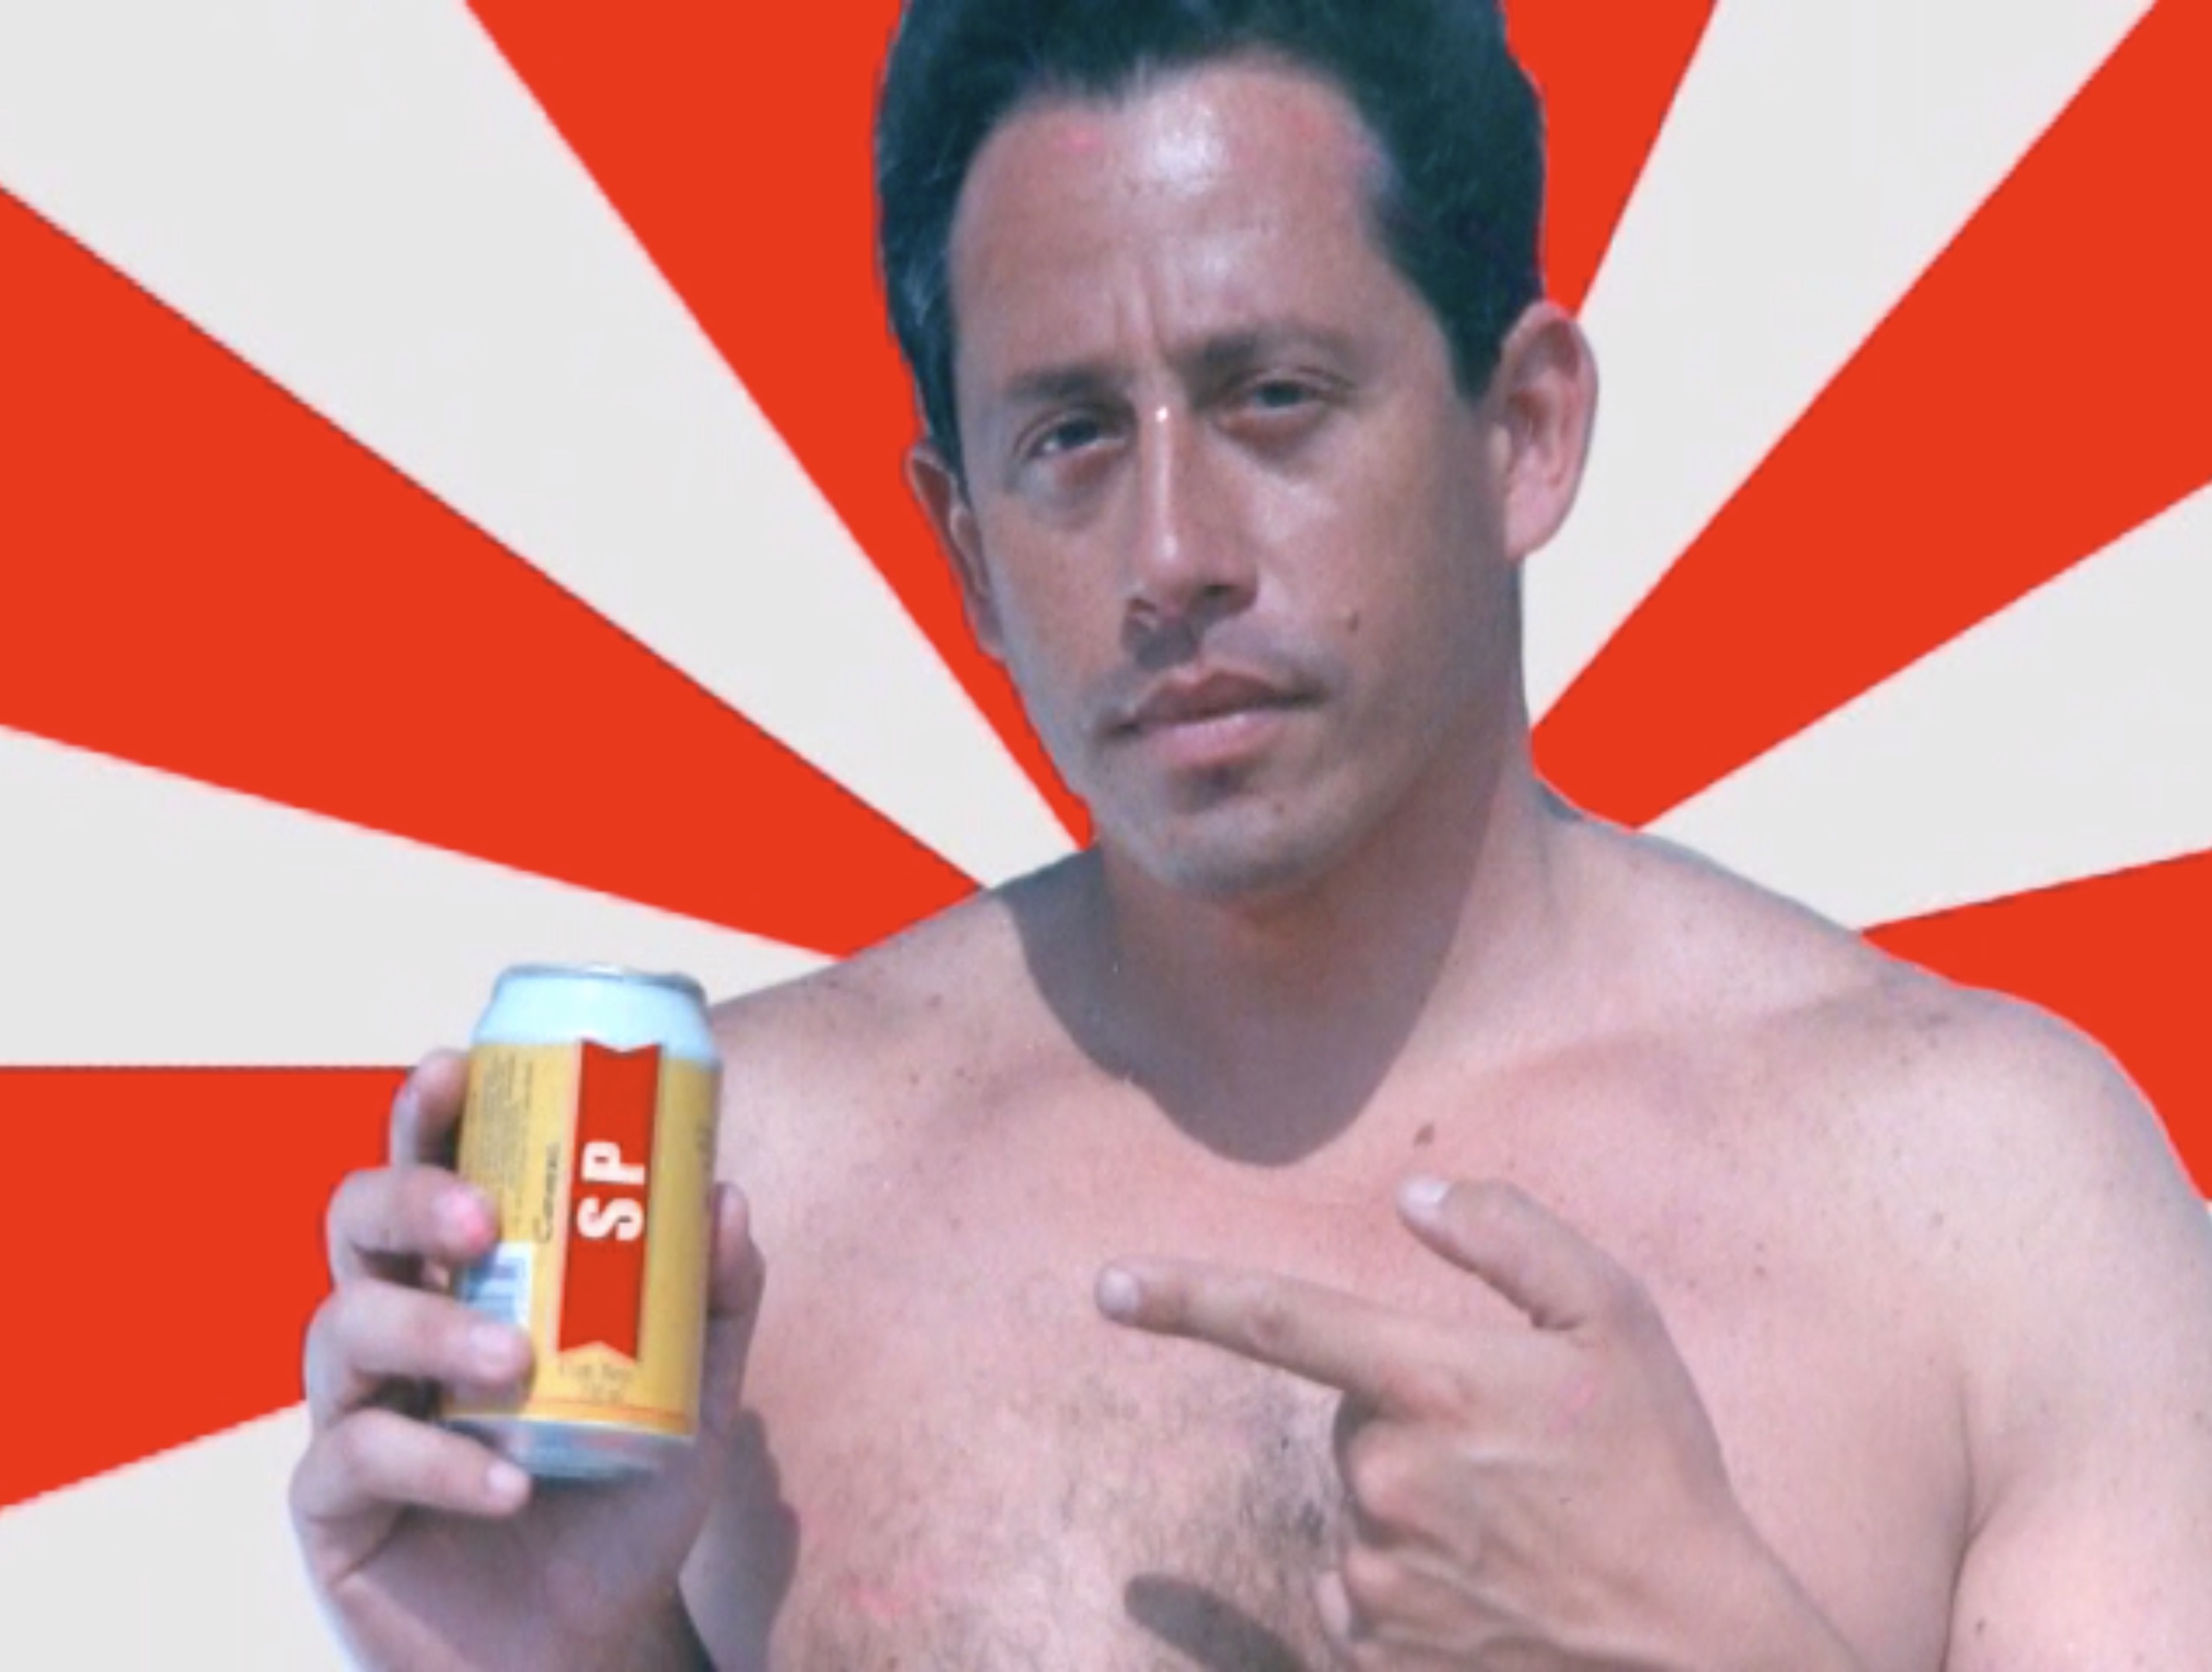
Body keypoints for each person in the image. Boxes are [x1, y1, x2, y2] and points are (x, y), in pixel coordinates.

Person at [289, 2, 2212, 1666]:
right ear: (965, 548)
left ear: (1524, 430)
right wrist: (547, 1656)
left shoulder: (1983, 1203)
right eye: (1070, 437)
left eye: (1272, 398)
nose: (1171, 555)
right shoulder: (743, 1209)